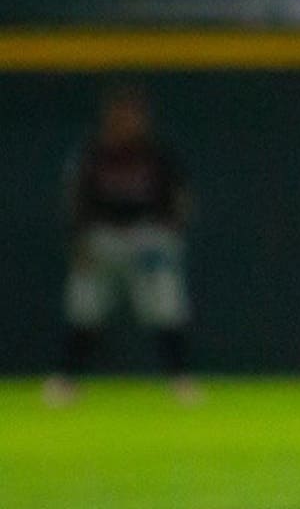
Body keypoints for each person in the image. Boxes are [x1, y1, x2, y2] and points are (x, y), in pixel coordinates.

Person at [44, 83, 201, 406]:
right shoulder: (93, 153)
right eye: (121, 114)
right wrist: (78, 241)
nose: (127, 120)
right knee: (84, 308)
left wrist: (170, 236)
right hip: (103, 238)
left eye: (133, 114)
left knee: (165, 307)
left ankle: (181, 379)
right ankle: (66, 379)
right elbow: (76, 200)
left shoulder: (157, 154)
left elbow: (179, 200)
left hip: (148, 239)